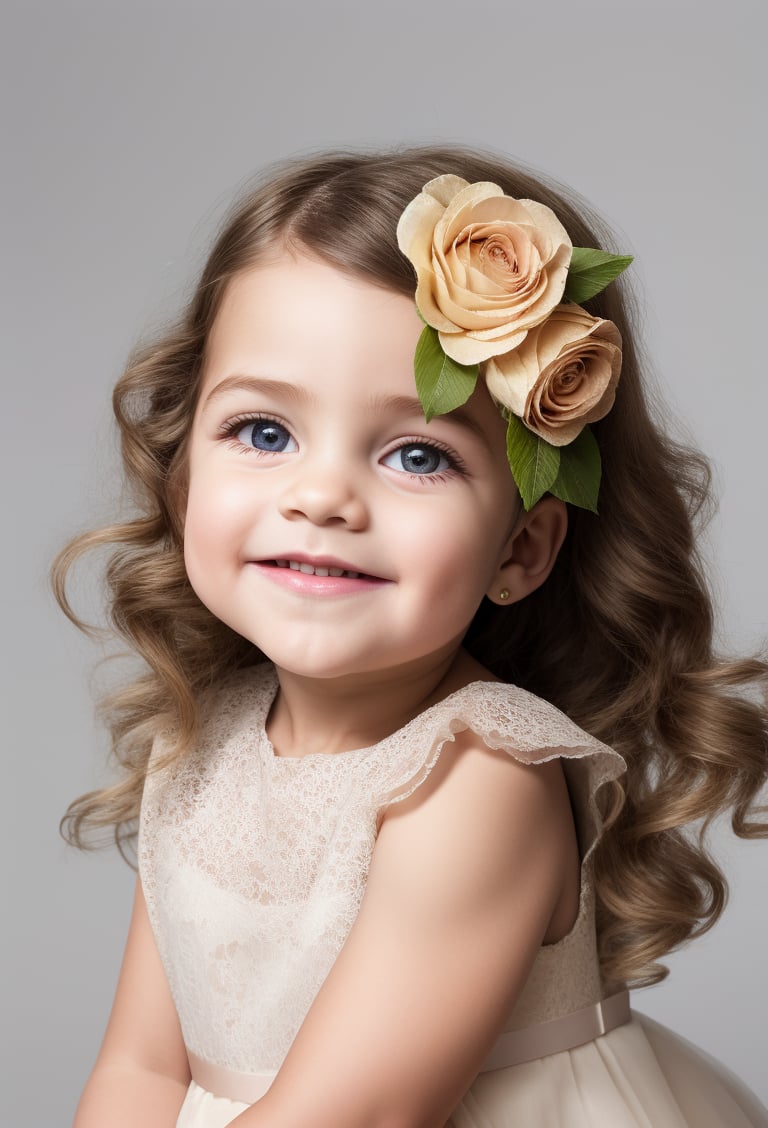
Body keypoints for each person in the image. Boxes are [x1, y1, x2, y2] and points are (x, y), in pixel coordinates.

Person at [57, 146, 768, 1128]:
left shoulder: (479, 779)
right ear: (181, 482)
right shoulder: (203, 737)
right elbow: (138, 1072)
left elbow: (361, 1114)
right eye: (264, 432)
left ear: (521, 547)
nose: (321, 498)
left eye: (417, 454)